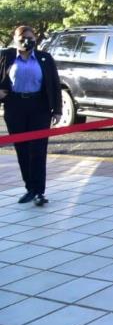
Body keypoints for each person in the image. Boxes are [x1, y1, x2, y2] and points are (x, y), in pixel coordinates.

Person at [0, 25, 62, 207]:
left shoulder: (45, 58)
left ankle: (39, 192)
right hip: (15, 107)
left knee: (38, 150)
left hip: (40, 108)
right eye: (23, 38)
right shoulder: (6, 56)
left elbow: (55, 84)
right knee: (22, 150)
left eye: (31, 38)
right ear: (15, 40)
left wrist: (57, 110)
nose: (27, 42)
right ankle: (30, 188)